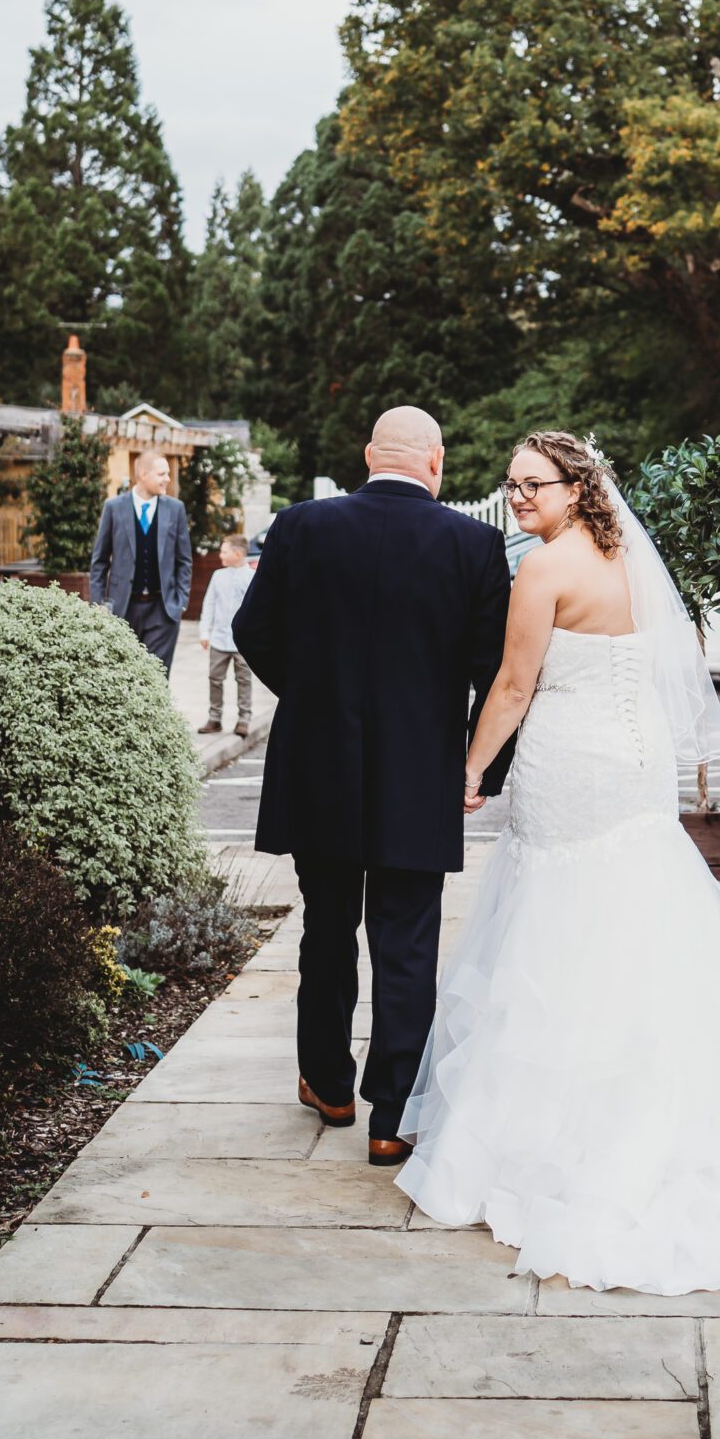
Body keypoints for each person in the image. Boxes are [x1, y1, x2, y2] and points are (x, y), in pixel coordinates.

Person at [397, 430, 720, 1294]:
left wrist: (471, 767)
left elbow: (514, 687)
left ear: (573, 485)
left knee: (555, 928)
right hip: (634, 771)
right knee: (635, 916)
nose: (518, 498)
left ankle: (562, 1132)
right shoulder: (629, 557)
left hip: (568, 764)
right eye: (510, 485)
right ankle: (664, 1106)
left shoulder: (544, 569)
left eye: (532, 485)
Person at [232, 407, 511, 1166]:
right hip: (420, 774)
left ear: (367, 456)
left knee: (327, 929)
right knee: (407, 944)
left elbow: (252, 633)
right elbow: (498, 672)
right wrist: (482, 766)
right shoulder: (474, 544)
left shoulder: (299, 527)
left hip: (317, 767)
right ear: (436, 462)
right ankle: (392, 1117)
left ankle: (329, 1085)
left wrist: (313, 694)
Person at [88, 449, 193, 673]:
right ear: (143, 474)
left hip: (163, 610)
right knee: (122, 676)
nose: (168, 479)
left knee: (157, 677)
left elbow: (184, 560)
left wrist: (181, 601)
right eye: (162, 474)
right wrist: (98, 605)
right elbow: (99, 562)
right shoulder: (114, 508)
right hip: (123, 609)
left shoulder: (176, 509)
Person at [198, 533, 256, 736]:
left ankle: (244, 718)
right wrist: (205, 631)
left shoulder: (252, 578)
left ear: (238, 554)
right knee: (215, 678)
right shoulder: (218, 576)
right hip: (219, 640)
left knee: (244, 680)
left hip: (242, 643)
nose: (220, 555)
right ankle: (214, 718)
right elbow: (209, 603)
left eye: (224, 551)